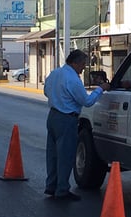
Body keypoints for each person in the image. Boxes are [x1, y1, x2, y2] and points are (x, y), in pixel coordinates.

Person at [44, 49, 110, 201]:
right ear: (74, 63)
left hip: (53, 116)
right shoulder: (73, 79)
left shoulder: (55, 73)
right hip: (67, 119)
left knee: (52, 155)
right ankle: (62, 190)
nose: (83, 68)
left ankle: (51, 185)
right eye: (82, 64)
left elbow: (46, 92)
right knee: (65, 156)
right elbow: (86, 101)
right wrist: (101, 89)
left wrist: (59, 99)